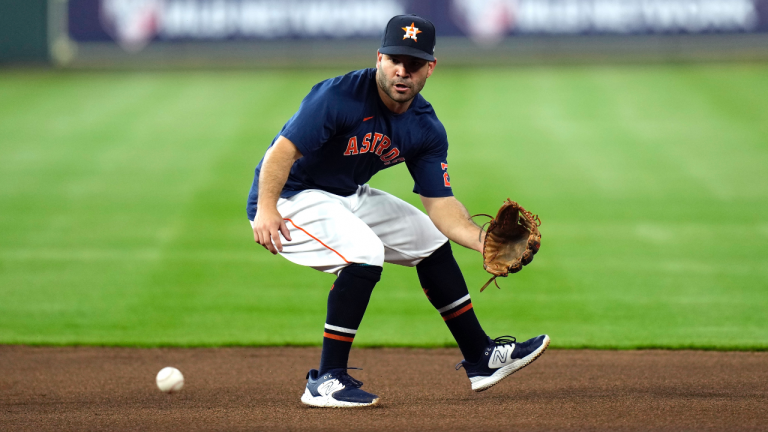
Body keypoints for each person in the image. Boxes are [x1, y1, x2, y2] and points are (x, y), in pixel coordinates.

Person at [248, 14, 549, 408]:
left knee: (429, 239)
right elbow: (281, 152)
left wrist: (482, 242)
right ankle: (326, 380)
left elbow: (440, 204)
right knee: (365, 253)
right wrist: (267, 208)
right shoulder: (337, 97)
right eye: (394, 60)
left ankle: (482, 357)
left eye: (413, 63)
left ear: (430, 68)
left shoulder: (425, 127)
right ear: (379, 59)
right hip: (291, 197)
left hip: (347, 194)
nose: (401, 71)